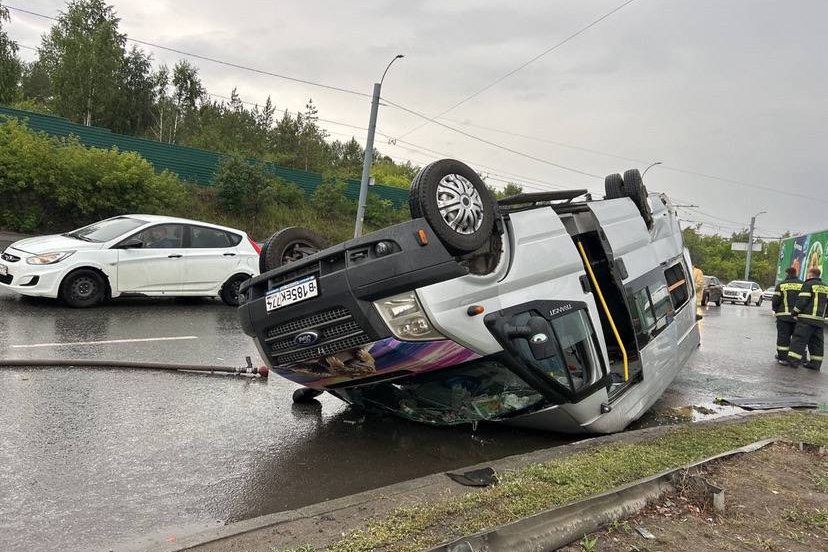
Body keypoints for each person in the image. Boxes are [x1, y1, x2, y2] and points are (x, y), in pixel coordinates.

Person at [787, 267, 828, 370]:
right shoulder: (826, 287)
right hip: (819, 320)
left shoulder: (808, 285)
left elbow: (802, 301)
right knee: (817, 343)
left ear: (810, 275)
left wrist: (794, 313)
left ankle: (793, 361)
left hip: (806, 319)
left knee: (799, 340)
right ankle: (815, 364)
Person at [772, 267, 803, 363]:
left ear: (786, 274)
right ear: (796, 273)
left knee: (783, 337)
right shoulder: (803, 285)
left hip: (783, 316)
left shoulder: (781, 285)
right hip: (798, 317)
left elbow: (776, 300)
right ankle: (795, 358)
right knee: (797, 339)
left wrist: (775, 310)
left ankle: (782, 358)